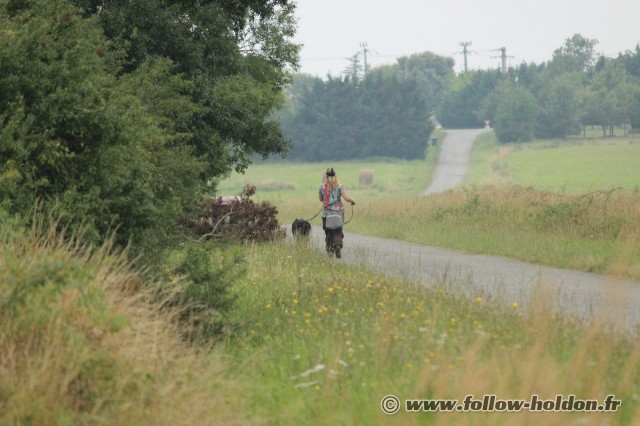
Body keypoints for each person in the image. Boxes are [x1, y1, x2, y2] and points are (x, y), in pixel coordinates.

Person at [319, 167, 356, 258]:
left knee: (328, 232)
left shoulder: (322, 186)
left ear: (326, 176)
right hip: (338, 213)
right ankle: (337, 245)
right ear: (335, 176)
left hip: (326, 214)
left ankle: (330, 251)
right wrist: (353, 201)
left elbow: (320, 199)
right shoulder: (340, 186)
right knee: (338, 230)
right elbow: (347, 198)